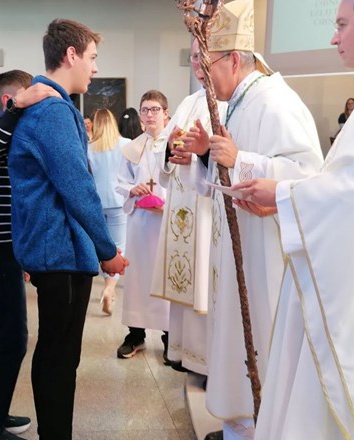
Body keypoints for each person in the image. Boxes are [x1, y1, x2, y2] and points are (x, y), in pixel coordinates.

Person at [181, 1, 324, 437]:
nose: (201, 76)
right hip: (238, 249)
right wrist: (207, 154)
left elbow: (309, 176)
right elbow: (227, 167)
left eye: (206, 65)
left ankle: (259, 423)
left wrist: (241, 159)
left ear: (234, 59)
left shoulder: (275, 102)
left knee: (261, 343)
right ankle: (241, 422)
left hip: (266, 259)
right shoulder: (237, 103)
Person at [231, 1, 354, 437]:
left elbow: (350, 191)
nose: (333, 37)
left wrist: (283, 194)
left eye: (342, 24)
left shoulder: (277, 102)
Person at [8, 19, 128, 439]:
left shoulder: (50, 105)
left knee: (58, 353)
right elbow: (77, 187)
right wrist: (107, 249)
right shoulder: (54, 111)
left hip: (58, 246)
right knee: (59, 356)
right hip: (58, 248)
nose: (95, 68)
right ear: (71, 55)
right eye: (92, 58)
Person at [0, 69, 59, 440]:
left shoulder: (4, 129)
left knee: (6, 334)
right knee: (12, 337)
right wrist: (17, 108)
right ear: (10, 100)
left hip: (2, 246)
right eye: (28, 100)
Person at [149, 38, 228, 374]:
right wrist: (171, 150)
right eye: (193, 57)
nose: (197, 63)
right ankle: (182, 353)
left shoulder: (228, 103)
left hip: (208, 209)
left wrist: (199, 156)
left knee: (206, 282)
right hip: (183, 207)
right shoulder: (189, 102)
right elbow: (162, 147)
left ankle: (207, 361)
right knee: (185, 281)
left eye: (202, 56)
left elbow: (230, 157)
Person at [115, 90, 171, 359]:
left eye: (155, 109)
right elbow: (119, 181)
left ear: (166, 113)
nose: (150, 115)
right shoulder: (132, 147)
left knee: (166, 276)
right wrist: (132, 189)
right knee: (138, 278)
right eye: (145, 110)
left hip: (167, 223)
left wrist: (167, 201)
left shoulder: (176, 145)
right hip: (140, 223)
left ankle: (171, 337)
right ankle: (136, 335)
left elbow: (187, 182)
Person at [87, 108, 130, 315]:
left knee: (102, 247)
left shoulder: (89, 147)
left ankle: (107, 286)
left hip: (96, 203)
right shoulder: (126, 144)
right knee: (118, 247)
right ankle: (110, 288)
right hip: (118, 201)